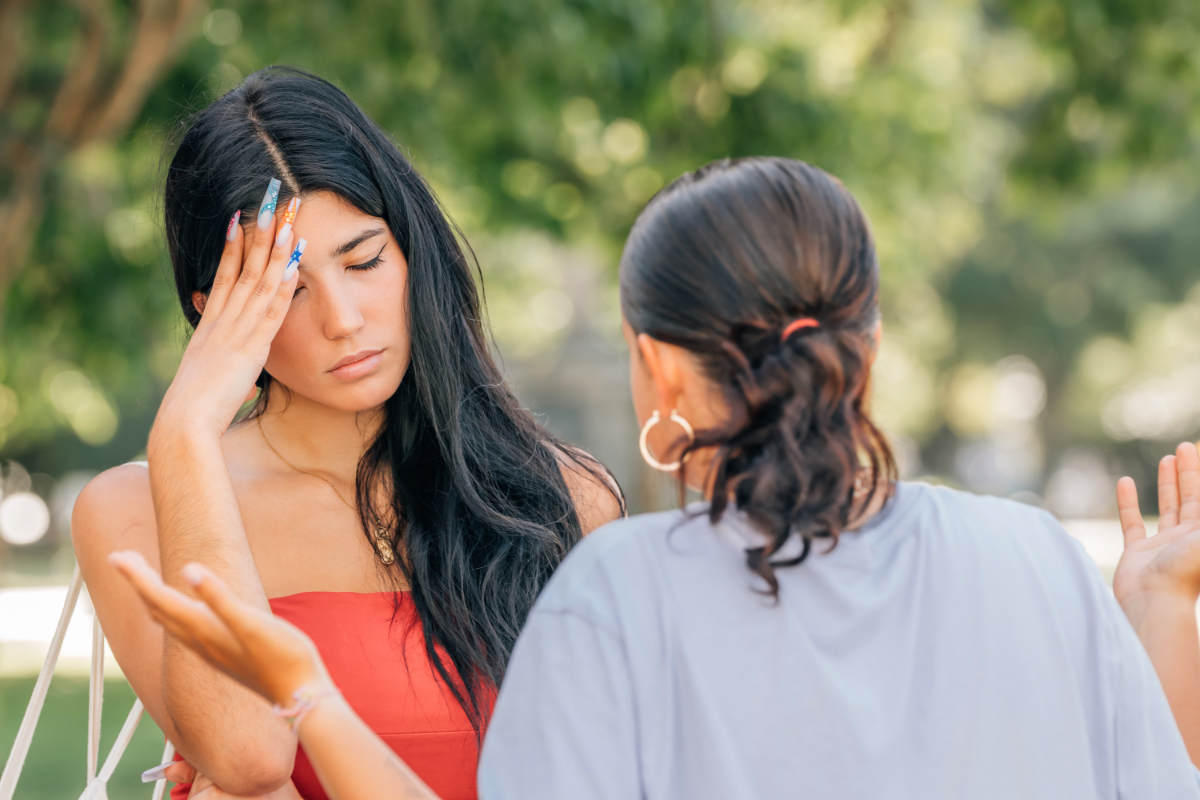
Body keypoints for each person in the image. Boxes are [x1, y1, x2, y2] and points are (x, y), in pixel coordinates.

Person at [110, 156, 1200, 799]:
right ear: (865, 343)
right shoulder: (1035, 555)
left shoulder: (621, 589)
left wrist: (309, 691)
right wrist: (1154, 611)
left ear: (657, 364)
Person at [72, 66, 621, 800]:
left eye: (364, 260)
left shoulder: (563, 496)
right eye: (288, 289)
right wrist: (184, 429)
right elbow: (248, 757)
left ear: (412, 249)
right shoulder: (136, 509)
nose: (343, 319)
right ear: (217, 316)